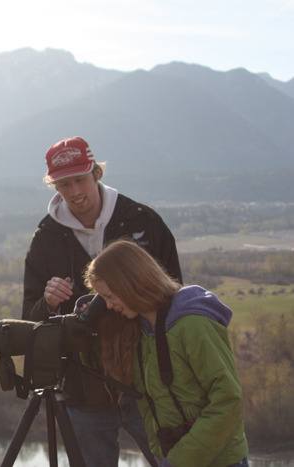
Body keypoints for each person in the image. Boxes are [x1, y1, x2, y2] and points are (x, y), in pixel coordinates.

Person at [22, 136, 182, 467]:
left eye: (80, 179)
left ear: (96, 173)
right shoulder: (46, 240)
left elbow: (175, 298)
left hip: (148, 382)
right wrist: (48, 304)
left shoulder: (142, 223)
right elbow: (31, 321)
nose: (75, 191)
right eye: (64, 184)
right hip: (83, 388)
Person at [84, 240, 249, 467]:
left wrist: (179, 461)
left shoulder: (193, 324)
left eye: (110, 296)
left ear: (130, 284)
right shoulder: (140, 330)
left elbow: (228, 401)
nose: (109, 306)